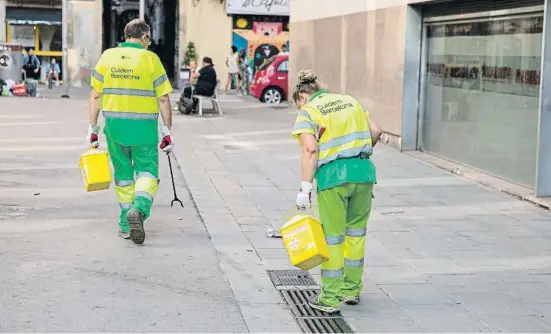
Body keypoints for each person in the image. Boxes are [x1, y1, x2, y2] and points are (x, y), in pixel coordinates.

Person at [291, 70, 382, 314]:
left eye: (297, 104)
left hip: (333, 177)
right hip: (363, 173)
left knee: (333, 237)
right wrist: (357, 151)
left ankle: (330, 297)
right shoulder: (350, 101)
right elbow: (376, 130)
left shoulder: (309, 111)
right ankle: (351, 289)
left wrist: (304, 189)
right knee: (355, 234)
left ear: (302, 96)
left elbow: (310, 150)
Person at [87, 18, 174, 245]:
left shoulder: (107, 56)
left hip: (114, 128)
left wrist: (92, 127)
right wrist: (167, 130)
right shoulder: (151, 59)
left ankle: (126, 224)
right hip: (144, 129)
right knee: (147, 173)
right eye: (149, 39)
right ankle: (140, 209)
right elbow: (163, 98)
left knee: (124, 177)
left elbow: (96, 95)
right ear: (144, 37)